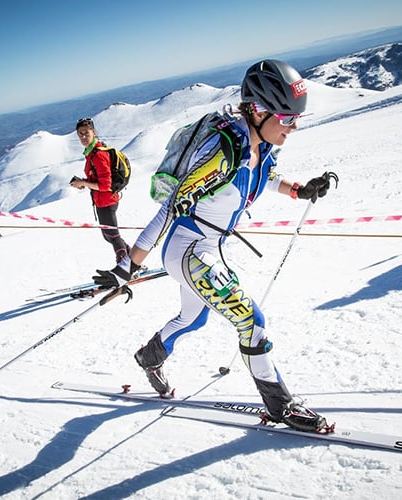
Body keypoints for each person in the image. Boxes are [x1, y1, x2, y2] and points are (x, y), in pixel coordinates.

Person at [93, 60, 337, 433]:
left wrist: (299, 190)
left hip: (208, 246)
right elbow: (168, 210)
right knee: (250, 320)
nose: (293, 126)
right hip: (189, 250)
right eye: (287, 118)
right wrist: (129, 266)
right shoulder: (221, 155)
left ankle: (149, 356)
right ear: (258, 110)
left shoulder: (258, 145)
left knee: (195, 316)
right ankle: (280, 406)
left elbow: (265, 175)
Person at [70, 118, 129, 264]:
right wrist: (84, 183)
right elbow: (97, 179)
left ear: (94, 133)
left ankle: (124, 267)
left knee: (113, 236)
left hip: (107, 201)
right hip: (102, 200)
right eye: (80, 134)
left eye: (86, 133)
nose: (83, 137)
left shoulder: (98, 155)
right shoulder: (91, 153)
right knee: (109, 236)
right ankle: (133, 259)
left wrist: (84, 182)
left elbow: (105, 185)